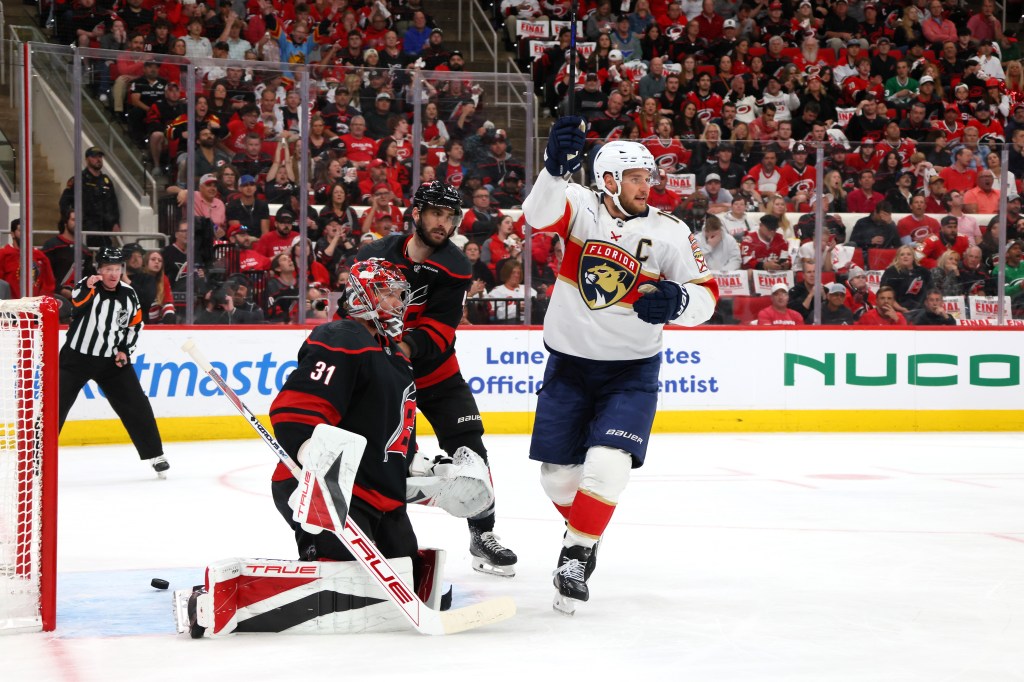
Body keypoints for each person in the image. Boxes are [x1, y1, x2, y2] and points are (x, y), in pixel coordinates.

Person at [522, 121, 718, 613]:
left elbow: (707, 296)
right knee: (556, 477)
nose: (645, 186)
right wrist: (551, 170)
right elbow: (536, 214)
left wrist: (677, 300)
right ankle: (588, 528)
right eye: (634, 177)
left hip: (630, 372)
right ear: (608, 179)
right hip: (569, 364)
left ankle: (577, 552)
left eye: (647, 177)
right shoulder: (579, 206)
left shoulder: (671, 232)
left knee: (608, 463)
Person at [358, 181, 519, 577]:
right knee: (386, 455)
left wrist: (404, 350)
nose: (441, 223)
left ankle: (483, 533)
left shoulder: (455, 264)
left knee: (471, 450)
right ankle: (373, 530)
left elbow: (440, 328)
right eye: (434, 213)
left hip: (437, 373)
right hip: (386, 375)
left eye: (449, 216)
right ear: (416, 214)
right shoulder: (375, 253)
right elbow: (355, 307)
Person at [268, 258, 419, 568]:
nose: (397, 301)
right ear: (361, 294)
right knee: (345, 581)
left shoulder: (394, 355)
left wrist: (419, 463)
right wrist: (308, 448)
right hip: (330, 485)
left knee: (410, 577)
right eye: (387, 292)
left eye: (398, 294)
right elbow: (296, 408)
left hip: (381, 494)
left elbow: (392, 426)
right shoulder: (343, 336)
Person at [58, 248, 168, 476]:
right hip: (76, 358)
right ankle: (38, 455)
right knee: (54, 407)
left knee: (137, 405)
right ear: (99, 270)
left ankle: (156, 455)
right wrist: (89, 286)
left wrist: (125, 350)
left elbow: (135, 324)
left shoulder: (128, 294)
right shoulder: (85, 287)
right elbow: (77, 307)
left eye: (117, 269)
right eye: (108, 269)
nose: (113, 274)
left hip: (111, 361)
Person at [59, 147, 121, 247]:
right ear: (87, 159)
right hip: (85, 230)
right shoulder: (79, 180)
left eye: (100, 156)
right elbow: (64, 202)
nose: (98, 159)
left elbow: (113, 204)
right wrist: (71, 222)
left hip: (104, 231)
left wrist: (115, 223)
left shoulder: (106, 181)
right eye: (94, 156)